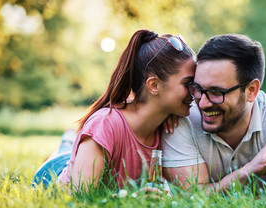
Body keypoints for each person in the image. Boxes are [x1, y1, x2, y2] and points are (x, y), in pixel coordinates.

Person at [32, 29, 196, 190]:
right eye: (188, 83)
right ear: (154, 85)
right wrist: (132, 198)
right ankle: (67, 141)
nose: (195, 90)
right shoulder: (105, 124)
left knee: (72, 151)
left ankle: (69, 142)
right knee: (65, 152)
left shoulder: (170, 123)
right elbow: (80, 193)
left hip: (86, 158)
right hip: (52, 174)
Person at [161, 34, 266, 195]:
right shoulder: (182, 118)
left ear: (251, 91)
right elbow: (191, 198)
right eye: (197, 88)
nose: (203, 103)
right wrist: (249, 170)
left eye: (216, 92)